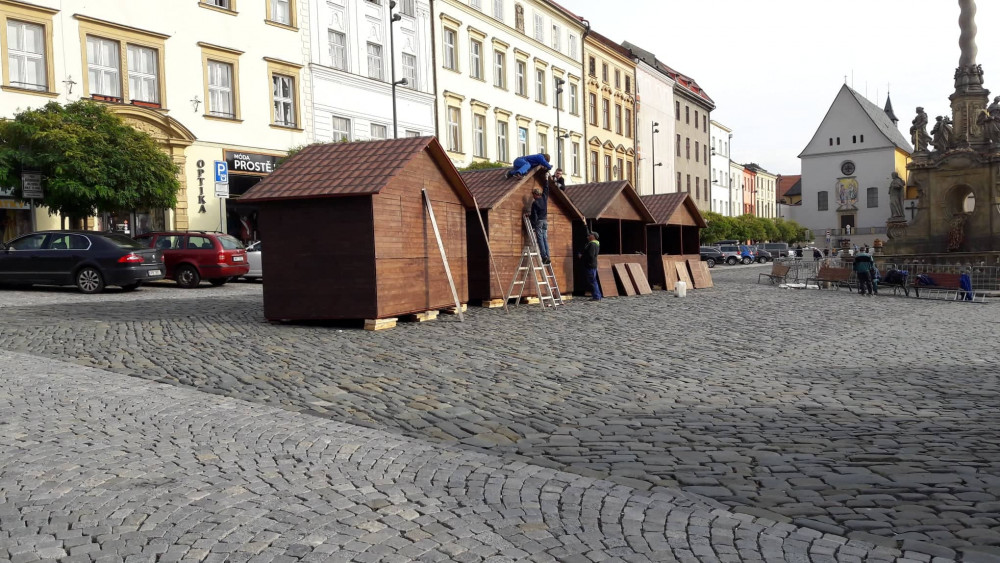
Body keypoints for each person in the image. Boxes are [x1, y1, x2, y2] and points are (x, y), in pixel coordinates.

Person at [529, 179, 551, 264]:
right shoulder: (544, 198)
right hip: (545, 221)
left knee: (540, 239)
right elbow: (546, 190)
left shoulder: (535, 203)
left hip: (539, 222)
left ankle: (544, 257)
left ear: (535, 194)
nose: (533, 196)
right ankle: (548, 256)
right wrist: (546, 180)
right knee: (545, 238)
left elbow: (534, 215)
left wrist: (533, 225)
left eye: (533, 195)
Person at [581, 231, 601, 301]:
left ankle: (596, 297)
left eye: (590, 235)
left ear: (593, 236)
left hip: (590, 265)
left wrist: (582, 256)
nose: (588, 236)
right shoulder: (595, 244)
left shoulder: (592, 244)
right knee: (593, 281)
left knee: (592, 281)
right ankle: (597, 296)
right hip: (592, 265)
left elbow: (590, 255)